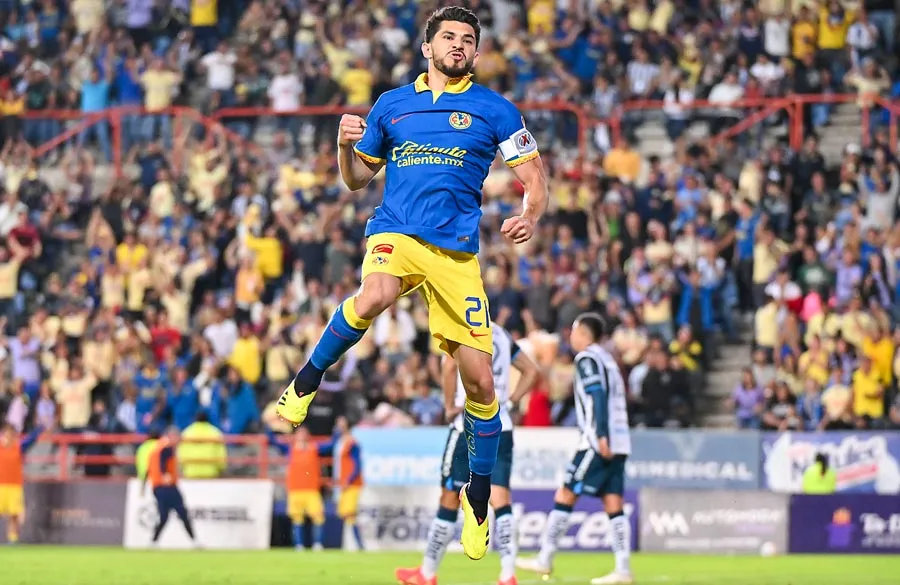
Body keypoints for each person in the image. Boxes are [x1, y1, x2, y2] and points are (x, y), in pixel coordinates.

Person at [276, 6, 548, 560]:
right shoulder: (391, 105)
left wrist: (531, 214)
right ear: (427, 47)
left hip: (455, 256)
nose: (459, 45)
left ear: (475, 51)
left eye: (468, 39)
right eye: (449, 37)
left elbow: (535, 178)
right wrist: (341, 145)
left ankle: (477, 498)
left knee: (480, 385)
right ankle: (304, 383)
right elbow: (357, 180)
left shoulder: (494, 108)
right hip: (396, 233)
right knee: (374, 294)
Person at [396, 322, 541, 585]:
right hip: (501, 425)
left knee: (449, 497)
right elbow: (531, 370)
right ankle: (508, 574)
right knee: (501, 499)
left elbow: (450, 366)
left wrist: (449, 404)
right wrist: (511, 401)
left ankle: (427, 573)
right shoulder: (501, 334)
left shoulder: (462, 326)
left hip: (468, 424)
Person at [516, 314, 634, 585]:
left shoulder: (587, 359)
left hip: (597, 441)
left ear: (582, 333)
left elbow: (598, 396)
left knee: (566, 492)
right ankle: (623, 569)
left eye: (574, 331)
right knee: (613, 502)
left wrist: (601, 435)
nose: (570, 336)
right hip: (620, 440)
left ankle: (545, 558)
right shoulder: (607, 360)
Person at [270, 427, 329, 551]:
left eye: (304, 433)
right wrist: (268, 427)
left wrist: (338, 432)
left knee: (318, 517)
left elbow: (330, 445)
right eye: (299, 433)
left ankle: (318, 543)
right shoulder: (290, 449)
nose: (301, 436)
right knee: (297, 518)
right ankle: (299, 544)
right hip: (295, 489)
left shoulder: (314, 448)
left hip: (311, 489)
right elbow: (273, 441)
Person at [144, 426, 197, 546]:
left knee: (164, 516)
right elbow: (163, 461)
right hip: (167, 486)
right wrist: (165, 474)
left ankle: (153, 542)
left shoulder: (157, 447)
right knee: (182, 513)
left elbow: (150, 468)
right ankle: (195, 541)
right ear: (172, 436)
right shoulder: (167, 447)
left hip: (157, 486)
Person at [322, 417, 365, 551]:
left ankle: (360, 545)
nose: (339, 427)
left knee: (349, 513)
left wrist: (349, 479)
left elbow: (357, 464)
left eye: (342, 424)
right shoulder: (339, 442)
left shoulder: (352, 443)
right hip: (343, 483)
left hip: (351, 484)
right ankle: (356, 546)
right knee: (345, 514)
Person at [0, 423, 41, 544]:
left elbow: (31, 440)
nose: (8, 436)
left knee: (14, 515)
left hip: (14, 486)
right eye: (6, 433)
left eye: (11, 434)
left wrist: (39, 428)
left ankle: (13, 539)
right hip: (0, 485)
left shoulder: (19, 447)